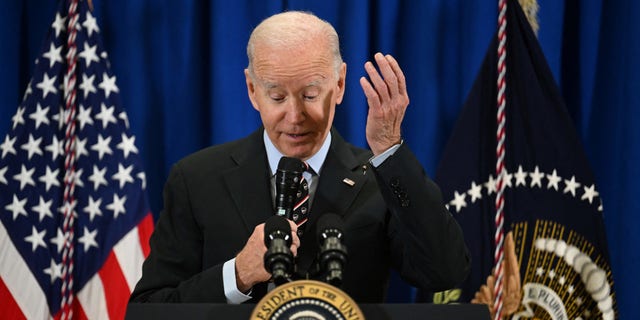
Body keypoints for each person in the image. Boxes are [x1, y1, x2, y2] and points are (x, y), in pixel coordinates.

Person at [130, 11, 470, 304]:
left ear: (339, 84)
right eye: (277, 96)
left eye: (310, 94)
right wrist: (237, 275)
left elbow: (445, 271)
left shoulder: (379, 178)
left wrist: (389, 150)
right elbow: (151, 306)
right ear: (252, 90)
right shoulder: (196, 179)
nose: (295, 116)